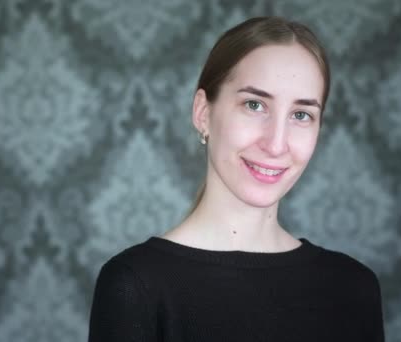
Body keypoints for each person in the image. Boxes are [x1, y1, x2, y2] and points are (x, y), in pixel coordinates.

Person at [88, 16, 384, 341]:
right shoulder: (135, 285)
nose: (275, 144)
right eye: (254, 105)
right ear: (203, 113)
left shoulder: (354, 287)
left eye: (301, 115)